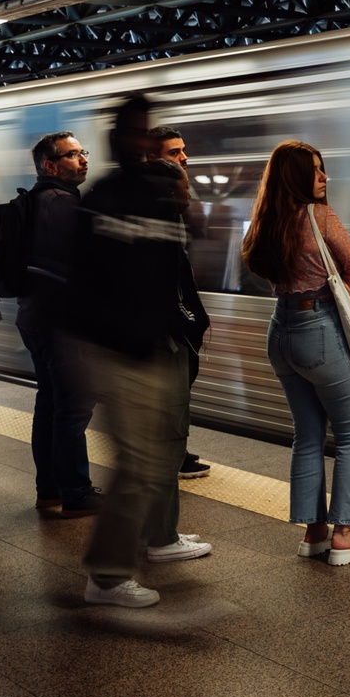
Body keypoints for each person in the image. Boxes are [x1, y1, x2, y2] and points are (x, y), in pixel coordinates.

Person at [74, 96, 212, 608]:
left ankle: (137, 554)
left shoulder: (159, 193)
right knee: (138, 463)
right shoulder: (104, 196)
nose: (141, 142)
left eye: (146, 133)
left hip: (152, 345)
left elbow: (171, 267)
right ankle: (107, 577)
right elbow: (86, 277)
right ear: (116, 139)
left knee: (153, 460)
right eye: (132, 133)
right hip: (114, 348)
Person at [240, 141, 350, 565]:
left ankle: (313, 532)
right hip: (319, 328)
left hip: (280, 331)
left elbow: (256, 264)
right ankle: (344, 534)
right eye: (316, 171)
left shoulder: (267, 219)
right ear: (296, 177)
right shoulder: (317, 215)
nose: (324, 178)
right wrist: (343, 302)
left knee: (307, 435)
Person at [16, 131, 100, 517]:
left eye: (83, 152)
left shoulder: (36, 200)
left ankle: (48, 488)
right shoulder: (60, 204)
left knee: (49, 405)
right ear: (50, 166)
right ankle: (75, 492)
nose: (83, 159)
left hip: (34, 317)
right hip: (61, 324)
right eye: (72, 155)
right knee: (72, 409)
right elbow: (79, 269)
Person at [153, 124, 212, 481]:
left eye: (183, 150)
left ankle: (175, 450)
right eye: (174, 152)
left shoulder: (172, 207)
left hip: (176, 321)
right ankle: (168, 456)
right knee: (169, 394)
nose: (185, 157)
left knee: (176, 391)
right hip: (168, 326)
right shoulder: (153, 211)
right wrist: (188, 321)